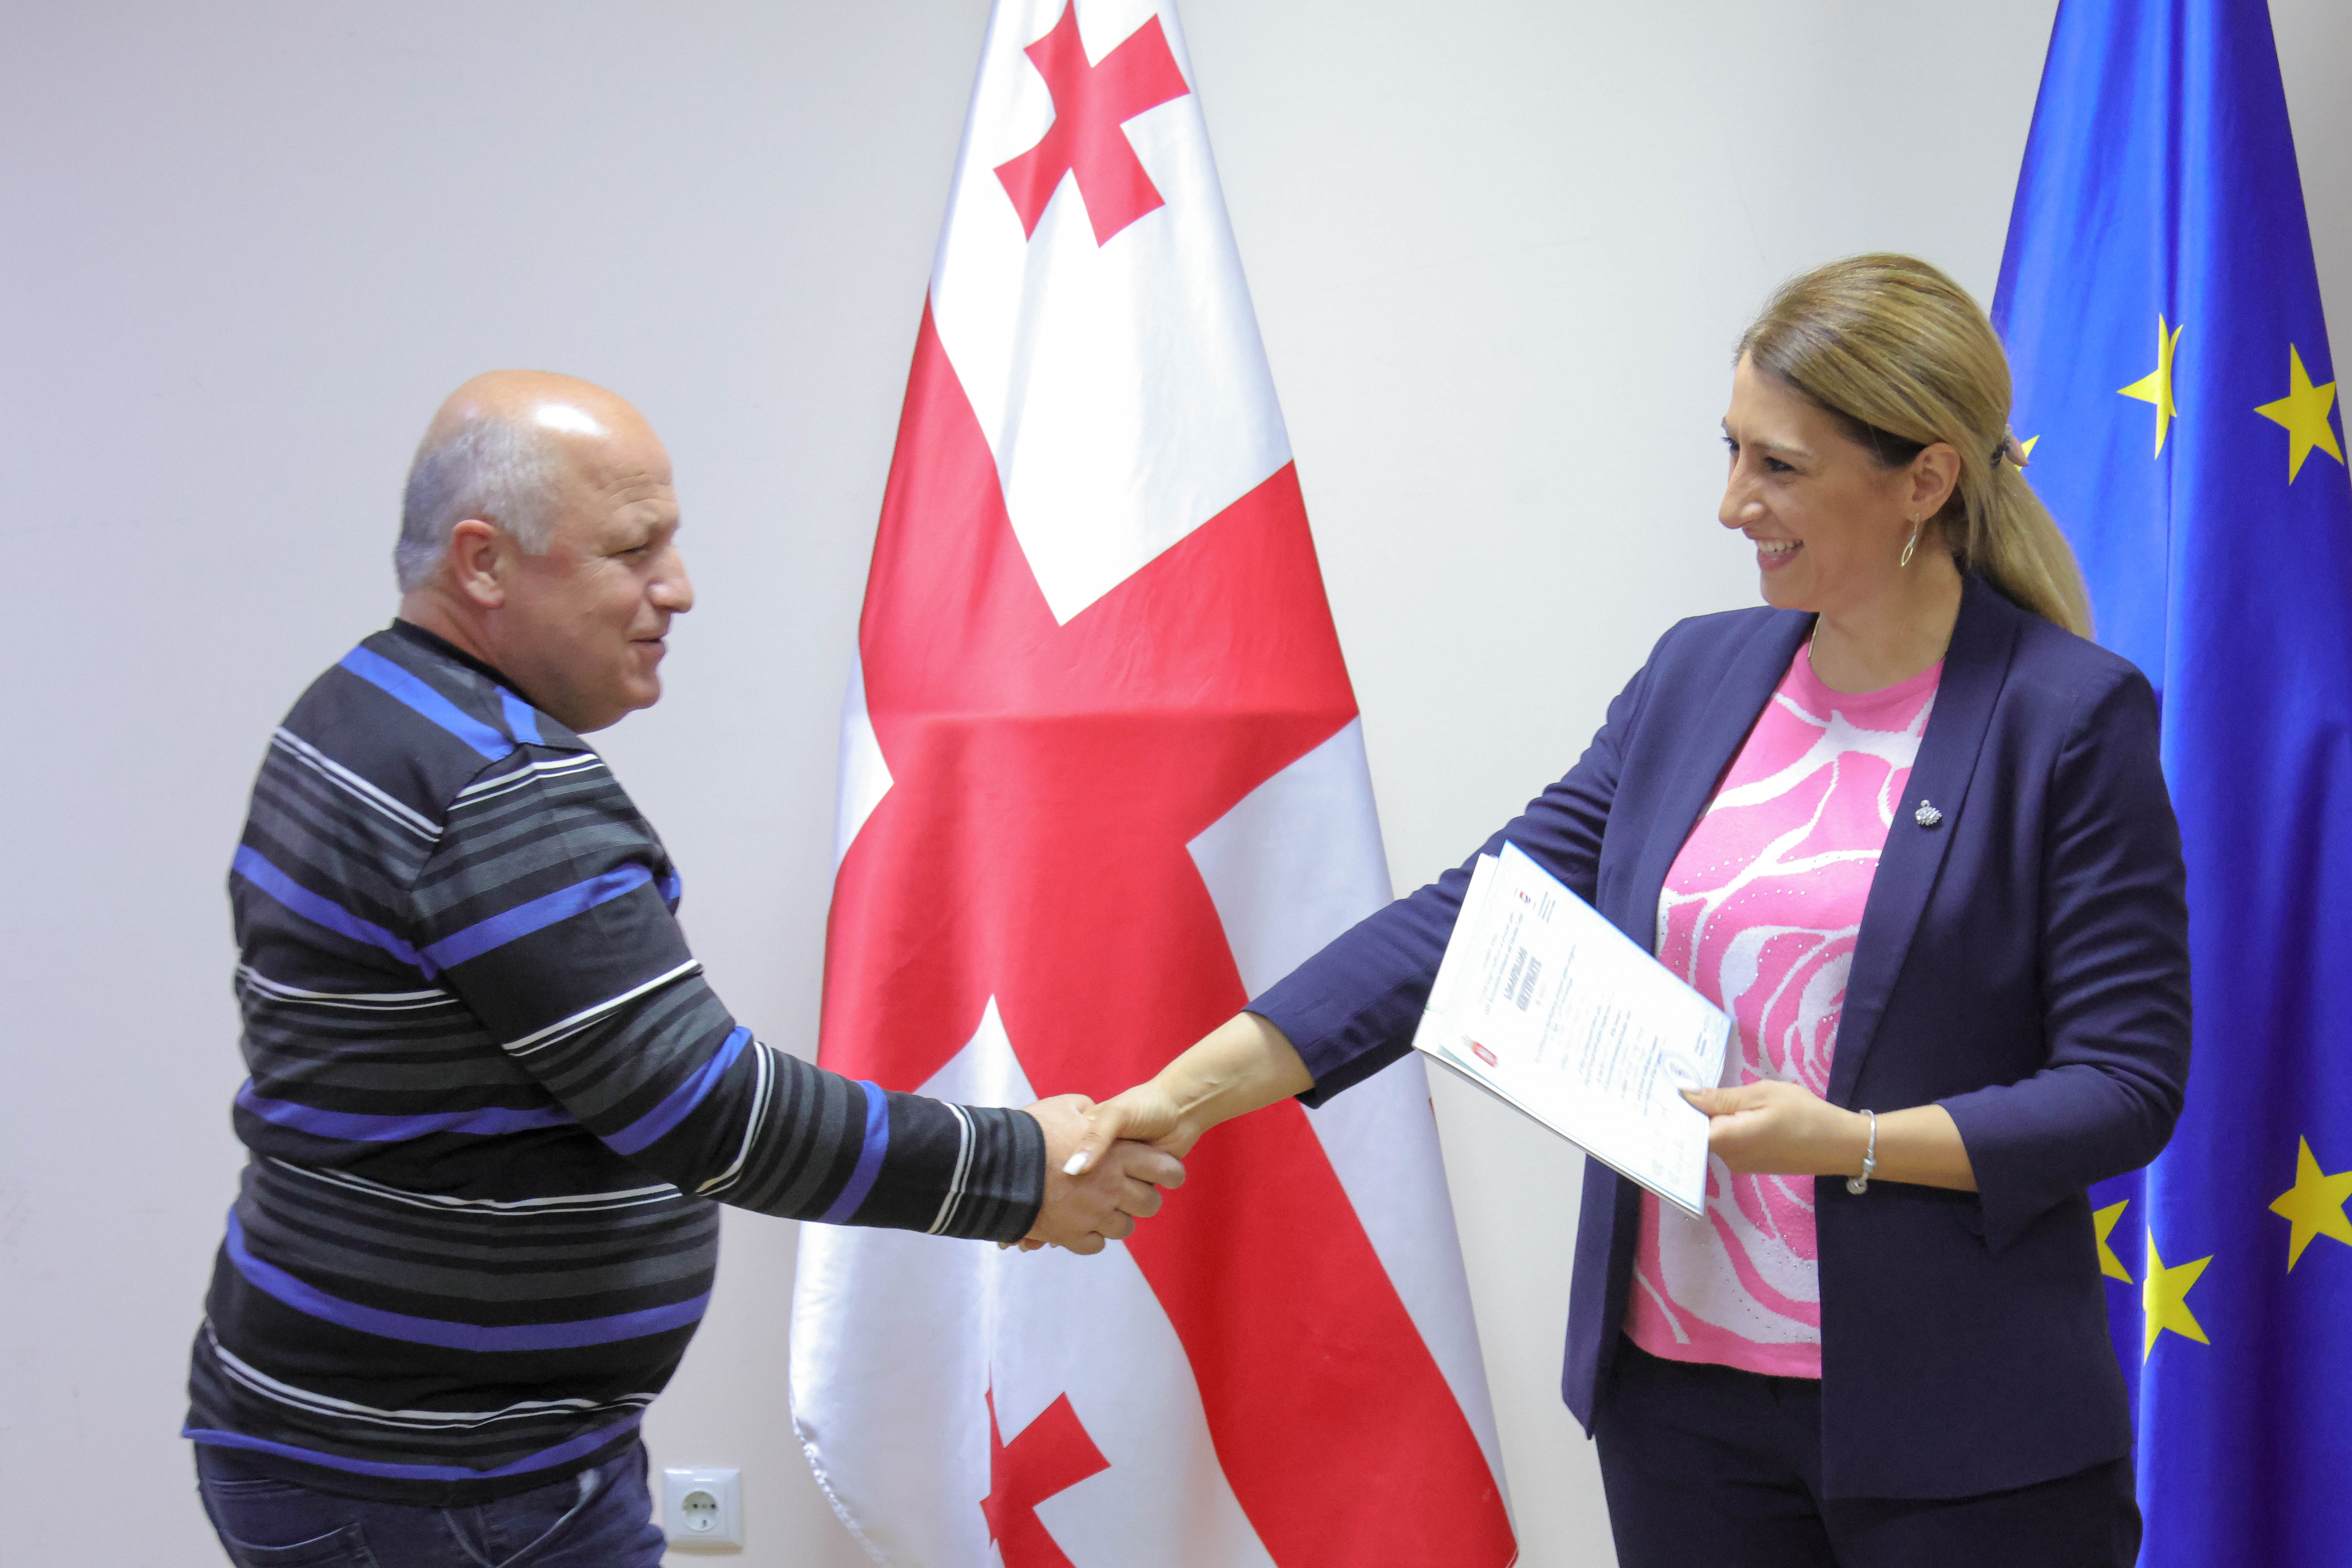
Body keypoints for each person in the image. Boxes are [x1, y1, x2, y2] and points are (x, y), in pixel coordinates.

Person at [1072, 255, 2189, 1567]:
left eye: (1778, 466)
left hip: (1962, 1429)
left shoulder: (2068, 716)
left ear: (1926, 480)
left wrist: (1852, 1143)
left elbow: (2124, 1086)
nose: (1733, 503)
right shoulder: (1696, 676)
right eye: (1731, 450)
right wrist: (1180, 1096)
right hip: (1680, 1413)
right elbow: (1469, 924)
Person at [186, 371, 1184, 1568]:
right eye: (632, 550)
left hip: (384, 1440)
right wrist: (1017, 1171)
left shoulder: (361, 710)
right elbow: (709, 1113)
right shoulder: (494, 788)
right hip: (439, 1482)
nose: (679, 587)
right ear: (484, 563)